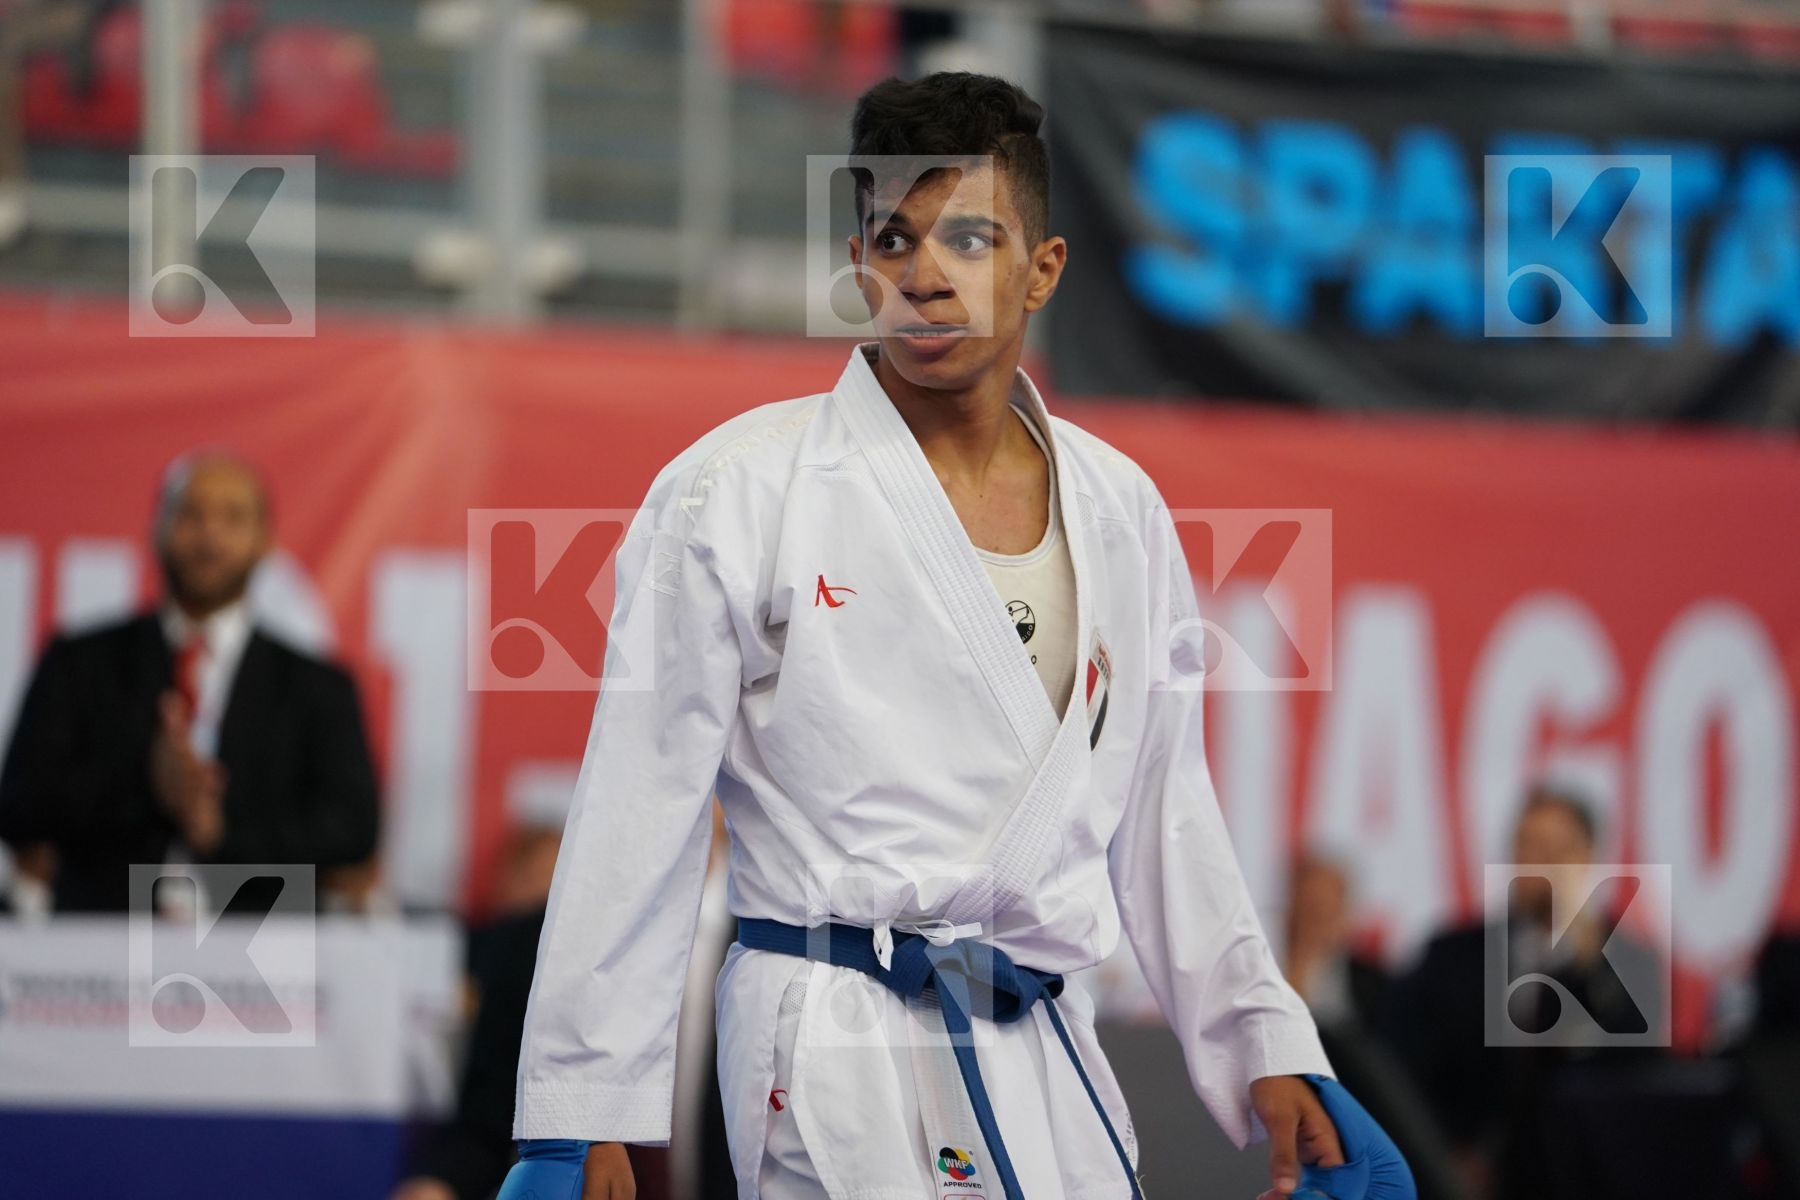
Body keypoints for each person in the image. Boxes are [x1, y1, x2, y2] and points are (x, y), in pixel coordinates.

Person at [505, 73, 1409, 1200]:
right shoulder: (734, 492)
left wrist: (1268, 1047)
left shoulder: (1121, 508)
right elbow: (637, 808)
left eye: (969, 240)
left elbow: (1166, 815)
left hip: (1044, 1048)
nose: (925, 277)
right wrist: (574, 1116)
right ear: (856, 262)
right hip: (830, 1038)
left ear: (1044, 266)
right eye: (894, 239)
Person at [0, 450, 380, 912]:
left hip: (263, 945)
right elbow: (20, 805)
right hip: (102, 941)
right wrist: (148, 785)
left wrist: (223, 831)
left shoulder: (319, 686)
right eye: (191, 514)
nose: (210, 534)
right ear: (155, 529)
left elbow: (354, 828)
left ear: (265, 541)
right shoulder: (80, 664)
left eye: (233, 517)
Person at [1386, 785, 1665, 1200]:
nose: (1540, 862)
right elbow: (1404, 1073)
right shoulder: (1450, 958)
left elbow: (1632, 1082)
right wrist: (1443, 1155)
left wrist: (1588, 961)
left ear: (1587, 858)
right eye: (1528, 844)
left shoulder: (1630, 965)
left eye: (1557, 848)